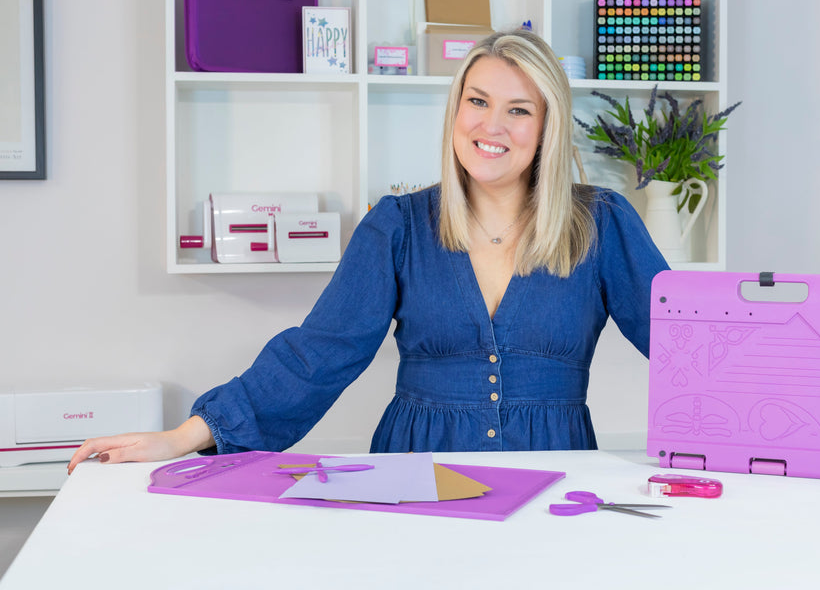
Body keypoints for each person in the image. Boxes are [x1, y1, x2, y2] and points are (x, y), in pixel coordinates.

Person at [68, 29, 670, 474]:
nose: (492, 126)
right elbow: (319, 352)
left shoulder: (602, 223)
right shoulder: (398, 226)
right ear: (456, 110)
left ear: (546, 126)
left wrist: (729, 436)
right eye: (478, 101)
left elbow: (688, 347)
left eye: (519, 110)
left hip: (556, 472)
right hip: (416, 473)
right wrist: (182, 437)